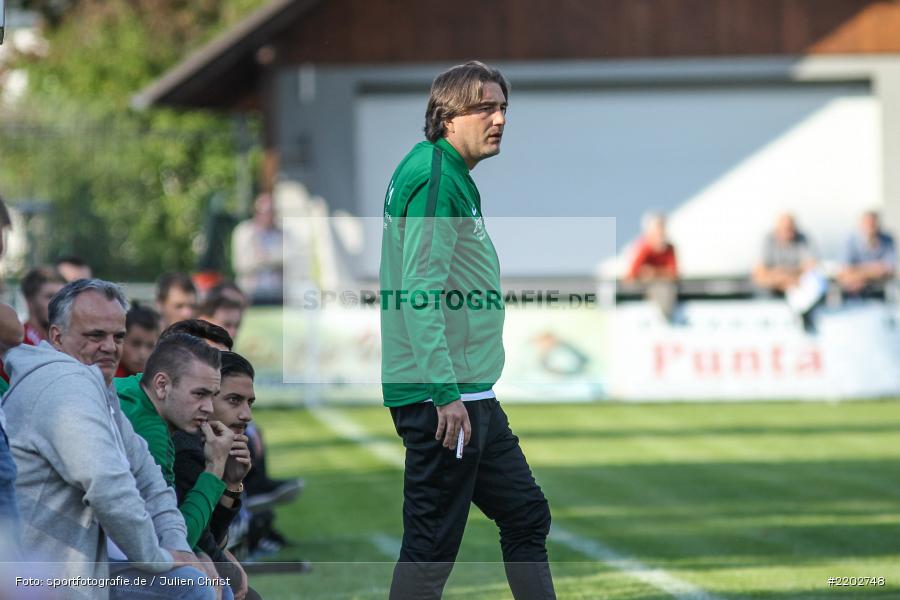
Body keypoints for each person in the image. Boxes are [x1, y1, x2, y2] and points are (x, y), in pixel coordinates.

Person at [380, 61, 556, 600]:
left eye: (503, 107)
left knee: (526, 515)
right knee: (430, 551)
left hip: (467, 390)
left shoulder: (447, 173)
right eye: (485, 107)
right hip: (445, 396)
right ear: (447, 117)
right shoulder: (436, 177)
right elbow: (419, 291)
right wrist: (444, 392)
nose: (499, 117)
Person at [1, 279, 214, 600]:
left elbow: (151, 484)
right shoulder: (64, 386)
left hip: (90, 570)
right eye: (95, 335)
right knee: (193, 587)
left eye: (118, 337)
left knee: (204, 582)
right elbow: (109, 486)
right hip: (43, 581)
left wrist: (178, 548)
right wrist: (160, 559)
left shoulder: (97, 386)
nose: (111, 347)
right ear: (57, 337)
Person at [117, 334, 237, 600]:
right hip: (70, 567)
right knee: (201, 585)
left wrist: (202, 553)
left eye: (213, 395)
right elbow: (174, 540)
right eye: (199, 394)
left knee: (215, 574)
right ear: (162, 385)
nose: (208, 408)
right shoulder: (151, 433)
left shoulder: (132, 389)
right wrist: (215, 467)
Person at [174, 351, 260, 600]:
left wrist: (232, 483)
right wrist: (229, 569)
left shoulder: (210, 444)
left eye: (249, 402)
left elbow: (212, 533)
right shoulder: (185, 448)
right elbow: (192, 538)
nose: (247, 415)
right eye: (234, 400)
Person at [624, 212, 679, 320]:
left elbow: (674, 273)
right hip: (645, 295)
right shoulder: (644, 248)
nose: (661, 233)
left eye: (662, 229)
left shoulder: (669, 249)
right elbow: (632, 274)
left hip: (665, 296)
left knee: (665, 289)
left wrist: (653, 272)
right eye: (658, 229)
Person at [232, 193, 284, 305]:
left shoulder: (281, 233)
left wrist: (265, 259)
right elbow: (241, 266)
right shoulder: (243, 232)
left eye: (271, 212)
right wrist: (267, 261)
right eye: (264, 212)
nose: (268, 216)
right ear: (256, 212)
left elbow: (288, 260)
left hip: (277, 293)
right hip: (251, 292)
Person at [752, 213, 818, 295]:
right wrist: (781, 277)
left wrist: (784, 274)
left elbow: (811, 267)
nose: (788, 232)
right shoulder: (768, 240)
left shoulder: (802, 239)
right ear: (777, 229)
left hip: (797, 287)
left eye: (791, 228)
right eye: (785, 229)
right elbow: (759, 271)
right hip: (773, 288)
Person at [836, 210, 896, 298]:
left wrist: (857, 272)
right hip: (854, 292)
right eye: (867, 223)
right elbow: (844, 272)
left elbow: (889, 269)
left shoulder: (887, 239)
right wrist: (873, 270)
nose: (870, 227)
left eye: (873, 224)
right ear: (860, 225)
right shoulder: (850, 241)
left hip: (880, 292)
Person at [21, 266, 66, 345]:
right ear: (29, 301)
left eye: (61, 297)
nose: (58, 303)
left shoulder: (63, 342)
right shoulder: (18, 342)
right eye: (50, 296)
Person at [117, 301, 161, 377]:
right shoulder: (107, 377)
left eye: (150, 346)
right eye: (135, 344)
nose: (143, 353)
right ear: (120, 340)